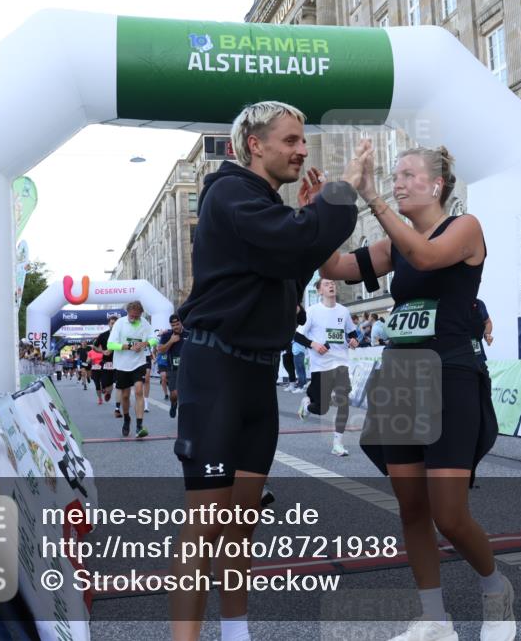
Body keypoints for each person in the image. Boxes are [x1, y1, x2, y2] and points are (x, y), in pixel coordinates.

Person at [170, 101, 361, 641]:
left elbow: (293, 259)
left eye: (303, 140)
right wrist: (339, 194)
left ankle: (236, 632)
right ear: (255, 144)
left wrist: (308, 219)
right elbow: (296, 242)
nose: (303, 149)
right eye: (292, 140)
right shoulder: (230, 192)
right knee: (204, 525)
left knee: (241, 519)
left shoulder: (259, 204)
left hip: (255, 375)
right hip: (217, 372)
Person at [320, 145, 516, 641]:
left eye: (407, 175)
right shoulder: (395, 242)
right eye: (393, 176)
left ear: (437, 186)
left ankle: (497, 592)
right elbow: (336, 268)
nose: (397, 182)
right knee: (410, 506)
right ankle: (434, 619)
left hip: (450, 374)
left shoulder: (463, 227)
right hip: (402, 376)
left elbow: (427, 258)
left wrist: (372, 199)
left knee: (449, 513)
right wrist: (323, 212)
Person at [295, 278, 358, 456]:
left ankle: (337, 443)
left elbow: (352, 332)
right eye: (326, 284)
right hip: (320, 365)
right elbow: (298, 336)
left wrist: (354, 340)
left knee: (344, 401)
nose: (331, 285)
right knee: (321, 409)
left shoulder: (344, 311)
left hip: (341, 362)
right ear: (319, 291)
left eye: (333, 283)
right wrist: (314, 344)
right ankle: (307, 406)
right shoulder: (313, 312)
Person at [106, 300, 158, 438]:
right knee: (125, 395)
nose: (134, 318)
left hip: (138, 363)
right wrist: (129, 347)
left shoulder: (144, 323)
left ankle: (139, 426)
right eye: (132, 316)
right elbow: (110, 344)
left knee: (139, 391)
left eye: (137, 316)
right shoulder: (120, 323)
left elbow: (155, 339)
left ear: (141, 314)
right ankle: (127, 418)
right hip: (122, 364)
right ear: (127, 313)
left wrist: (145, 343)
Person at [157, 315, 185, 418]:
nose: (176, 327)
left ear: (181, 322)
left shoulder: (189, 333)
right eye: (173, 325)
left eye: (177, 324)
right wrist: (171, 341)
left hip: (187, 368)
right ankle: (173, 403)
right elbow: (160, 350)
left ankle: (185, 416)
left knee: (186, 394)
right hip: (173, 368)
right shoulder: (167, 335)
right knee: (174, 394)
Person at [93, 315, 119, 416]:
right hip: (107, 363)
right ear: (109, 324)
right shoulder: (103, 335)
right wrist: (103, 351)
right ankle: (108, 393)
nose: (113, 325)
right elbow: (94, 347)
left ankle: (112, 398)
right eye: (112, 323)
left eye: (115, 323)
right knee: (107, 383)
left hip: (118, 362)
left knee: (116, 382)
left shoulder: (120, 335)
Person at [472, 299, 492, 363]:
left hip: (474, 342)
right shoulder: (447, 303)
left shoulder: (478, 303)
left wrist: (487, 334)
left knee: (479, 368)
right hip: (455, 346)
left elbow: (487, 322)